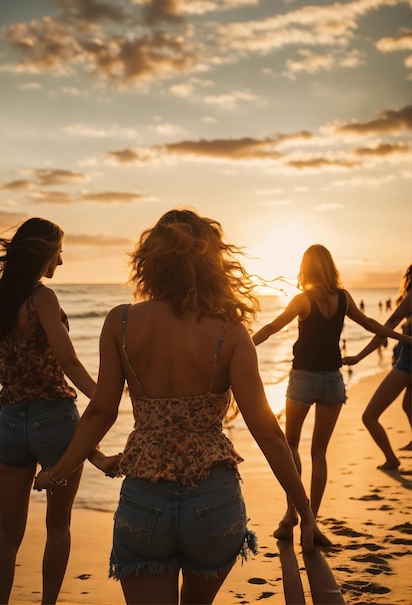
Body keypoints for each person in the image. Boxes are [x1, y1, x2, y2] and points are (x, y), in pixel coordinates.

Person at [34, 209, 332, 605]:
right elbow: (268, 433)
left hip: (144, 500)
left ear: (150, 263)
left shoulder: (120, 322)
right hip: (214, 501)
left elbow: (100, 413)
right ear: (211, 264)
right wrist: (305, 512)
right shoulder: (230, 331)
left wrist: (57, 471)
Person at [0, 217, 113, 605]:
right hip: (55, 421)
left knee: (7, 535)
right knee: (57, 527)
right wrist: (104, 397)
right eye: (59, 252)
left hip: (9, 424)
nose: (60, 262)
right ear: (44, 253)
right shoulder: (42, 299)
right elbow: (69, 361)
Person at [252, 245, 412, 541]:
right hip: (333, 382)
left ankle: (292, 514)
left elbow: (273, 327)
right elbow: (372, 325)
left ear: (305, 269)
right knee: (320, 452)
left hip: (303, 379)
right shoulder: (343, 297)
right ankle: (312, 523)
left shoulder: (302, 300)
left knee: (291, 447)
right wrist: (403, 337)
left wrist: (244, 347)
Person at [343, 265, 412, 468]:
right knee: (408, 405)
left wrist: (359, 356)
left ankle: (391, 458)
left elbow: (388, 325)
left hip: (409, 363)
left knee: (369, 416)